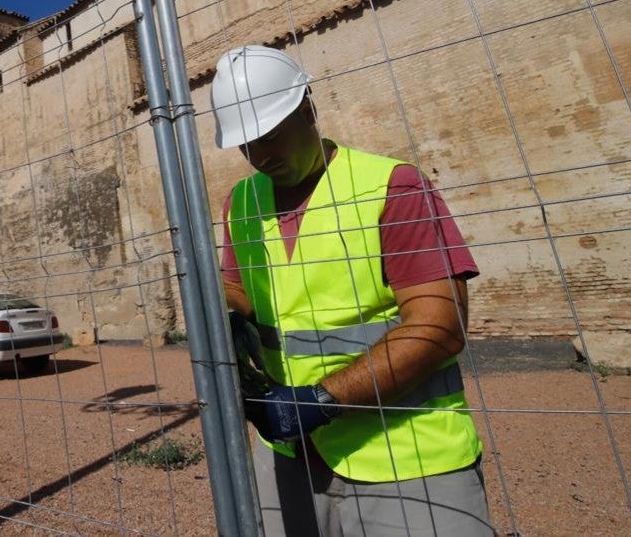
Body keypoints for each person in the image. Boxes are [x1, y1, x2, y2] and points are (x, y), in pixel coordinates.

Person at [210, 46, 492, 536]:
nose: (260, 156)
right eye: (246, 144)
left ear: (308, 109)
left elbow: (440, 327)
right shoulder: (243, 201)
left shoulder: (392, 185)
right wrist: (223, 310)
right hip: (288, 454)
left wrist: (318, 401)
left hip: (407, 454)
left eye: (270, 135)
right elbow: (240, 289)